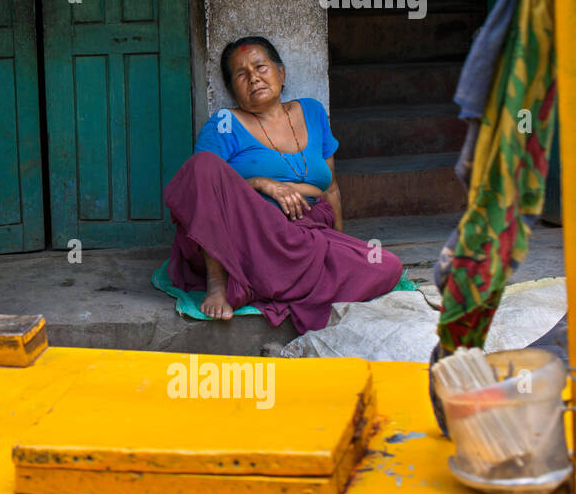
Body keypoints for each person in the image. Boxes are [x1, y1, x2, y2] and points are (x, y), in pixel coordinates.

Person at [163, 36, 403, 333]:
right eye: (241, 74)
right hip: (250, 234)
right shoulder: (224, 124)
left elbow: (332, 189)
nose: (254, 78)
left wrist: (342, 244)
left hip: (306, 235)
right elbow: (201, 189)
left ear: (281, 73)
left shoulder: (312, 112)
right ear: (232, 89)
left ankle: (262, 283)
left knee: (386, 265)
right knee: (203, 165)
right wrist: (263, 184)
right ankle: (220, 284)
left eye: (261, 67)